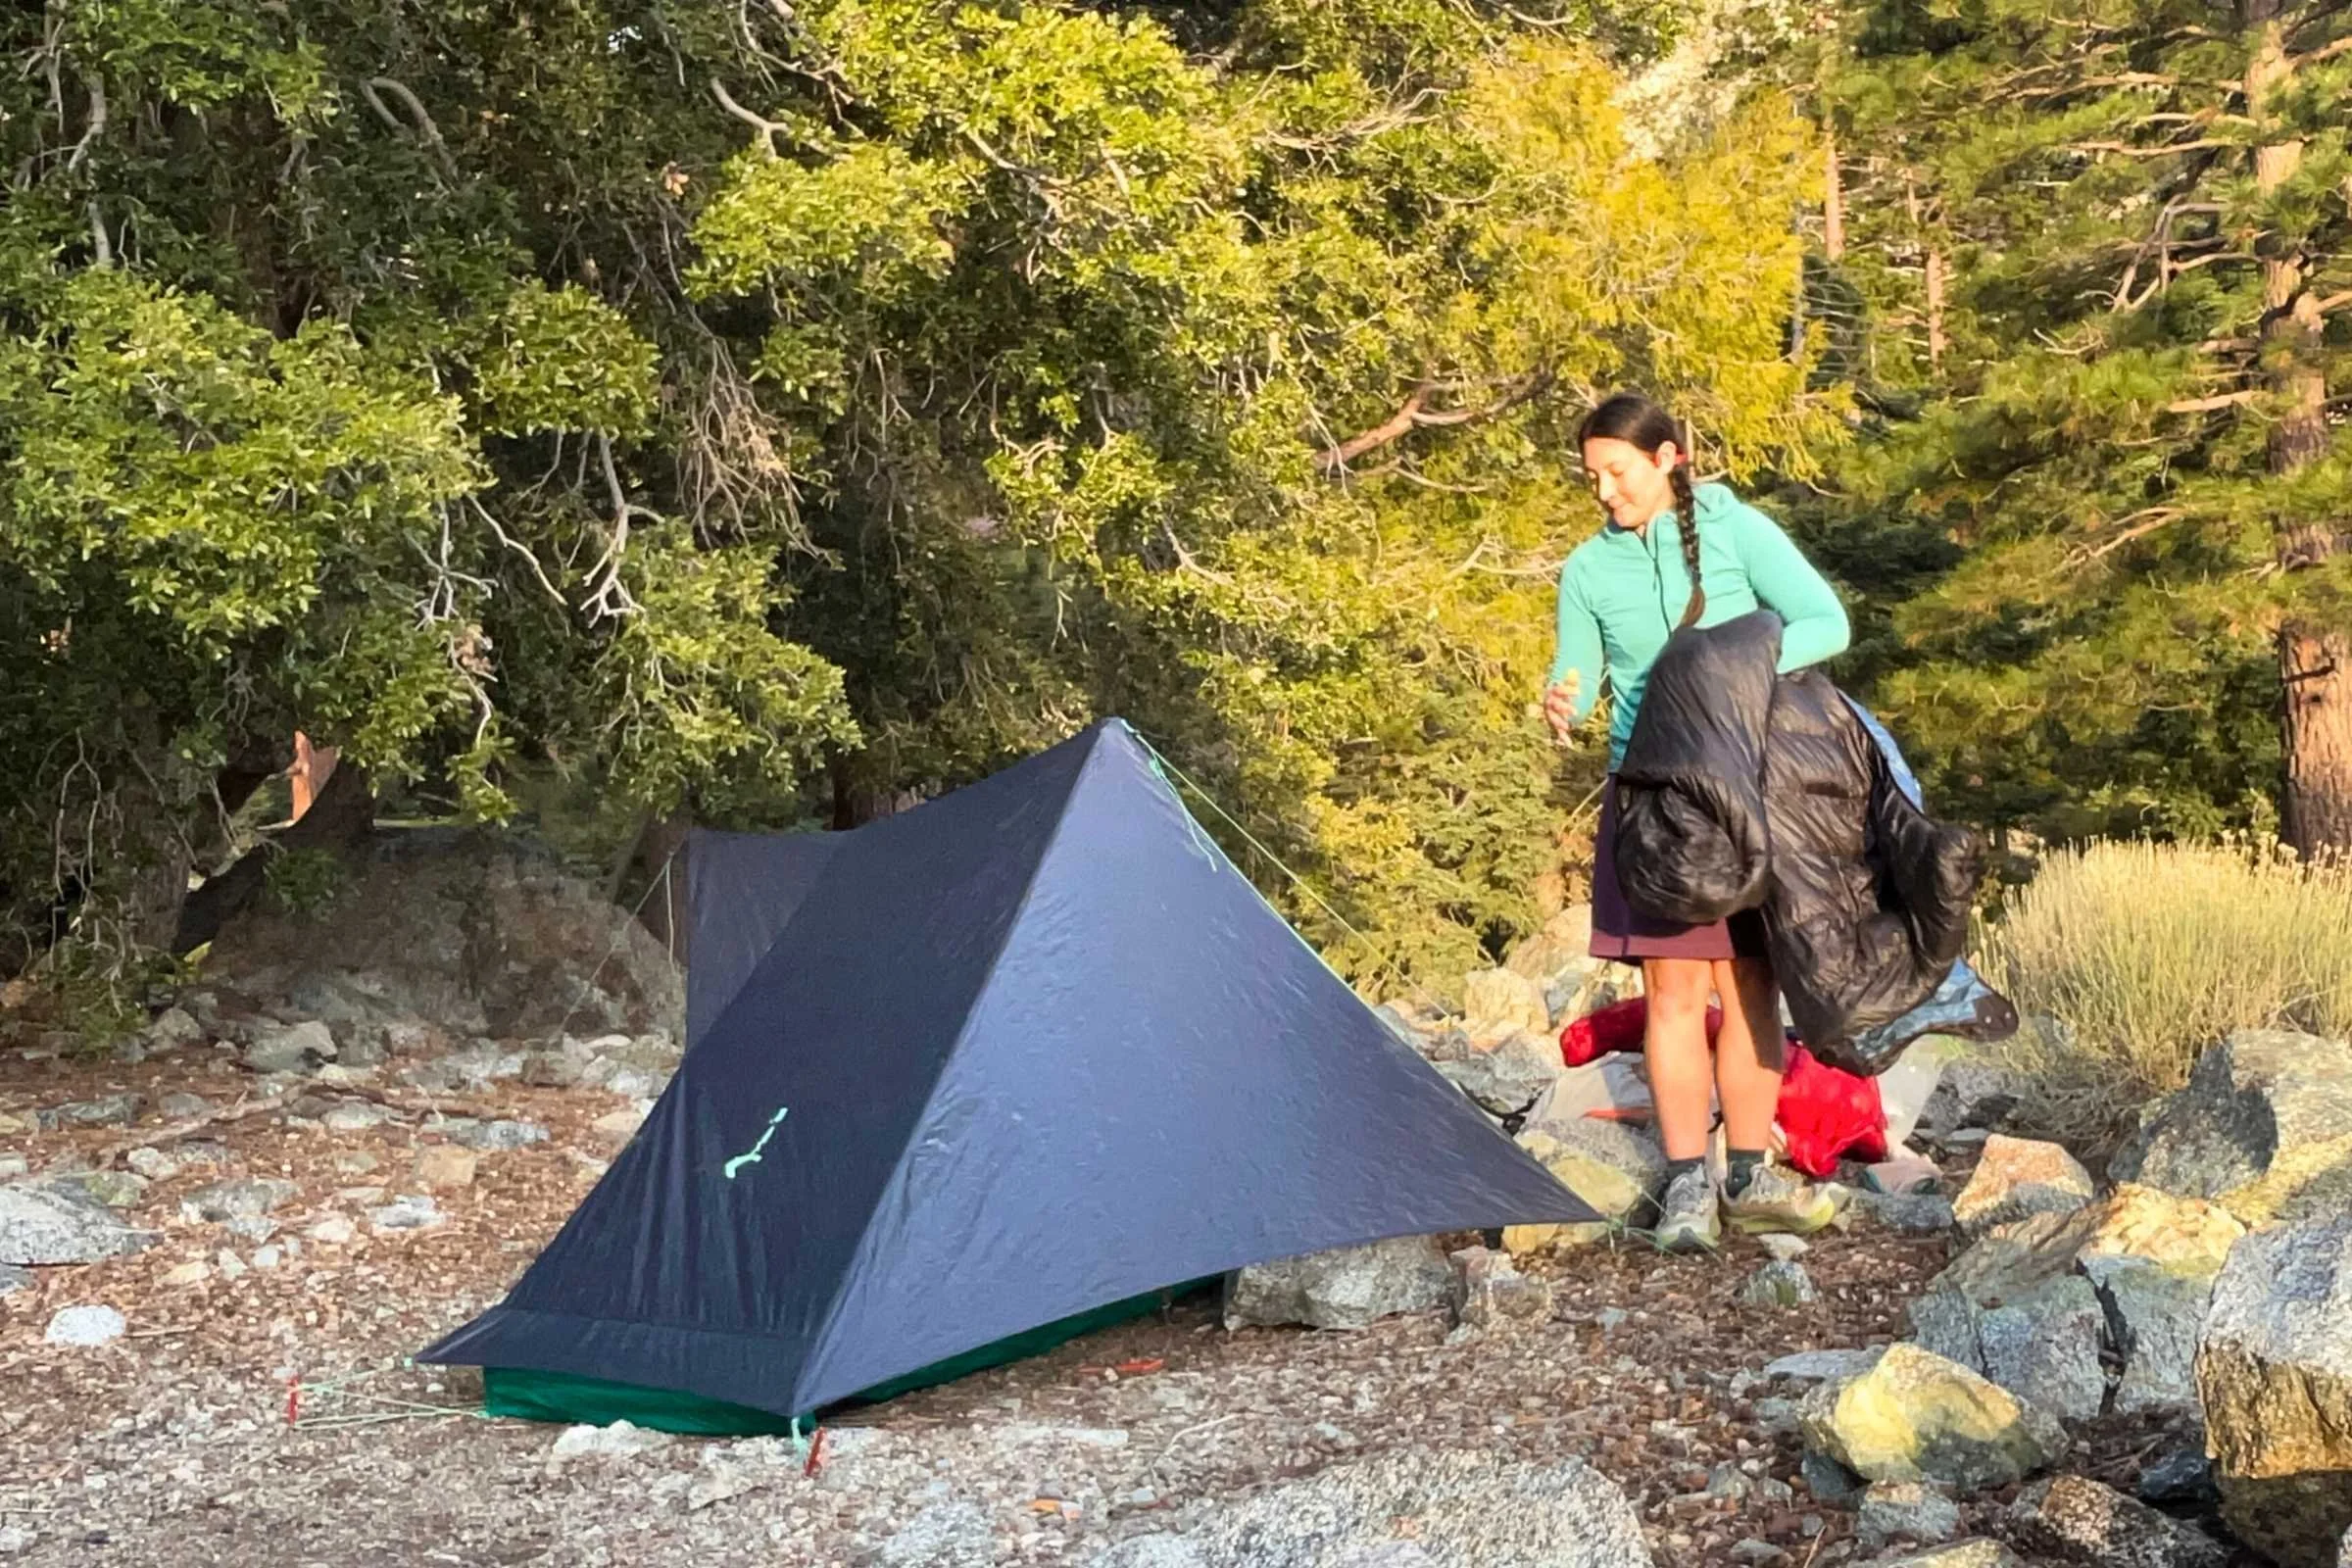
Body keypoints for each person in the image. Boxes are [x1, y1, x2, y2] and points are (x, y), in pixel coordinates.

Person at [1544, 392, 1851, 1252]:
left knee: (1752, 986)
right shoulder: (1586, 569)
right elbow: (1577, 669)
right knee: (1673, 994)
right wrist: (1563, 699)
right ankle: (1686, 1187)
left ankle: (1749, 1178)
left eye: (1618, 472)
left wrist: (1737, 672)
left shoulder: (1737, 530)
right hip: (1652, 801)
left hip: (1751, 791)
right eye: (1592, 477)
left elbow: (1827, 623)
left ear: (1667, 458)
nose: (1605, 491)